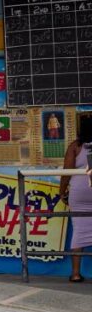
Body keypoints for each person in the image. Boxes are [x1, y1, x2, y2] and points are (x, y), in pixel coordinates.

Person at [60, 116, 92, 283]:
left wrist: (61, 191)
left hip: (79, 191)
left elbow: (67, 172)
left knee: (79, 229)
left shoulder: (75, 146)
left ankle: (75, 273)